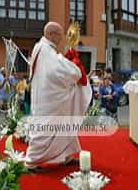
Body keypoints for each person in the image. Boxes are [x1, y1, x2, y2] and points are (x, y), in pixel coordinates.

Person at [25, 22, 92, 171]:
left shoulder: (43, 48)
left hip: (45, 95)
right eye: (59, 35)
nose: (61, 38)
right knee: (45, 128)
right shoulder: (45, 50)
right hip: (48, 99)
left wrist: (65, 60)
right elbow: (56, 71)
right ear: (50, 34)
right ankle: (31, 161)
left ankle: (67, 155)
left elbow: (56, 66)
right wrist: (74, 68)